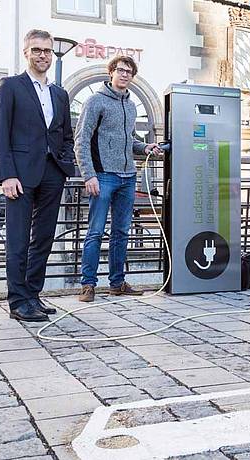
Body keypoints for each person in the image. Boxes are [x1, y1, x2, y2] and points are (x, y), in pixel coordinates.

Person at [0, 29, 76, 322]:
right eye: (37, 50)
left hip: (53, 173)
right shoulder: (11, 86)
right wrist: (6, 176)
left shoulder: (60, 94)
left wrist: (64, 160)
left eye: (47, 51)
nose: (43, 55)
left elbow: (66, 134)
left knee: (43, 238)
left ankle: (32, 295)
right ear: (26, 53)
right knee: (17, 239)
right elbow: (0, 135)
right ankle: (17, 301)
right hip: (20, 176)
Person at [74, 56, 162, 303]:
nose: (125, 75)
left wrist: (145, 148)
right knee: (95, 232)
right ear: (111, 72)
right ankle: (88, 285)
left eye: (129, 72)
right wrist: (88, 175)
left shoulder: (131, 106)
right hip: (103, 176)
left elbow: (129, 140)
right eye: (121, 70)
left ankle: (117, 283)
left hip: (128, 177)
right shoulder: (95, 101)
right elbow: (80, 141)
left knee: (121, 232)